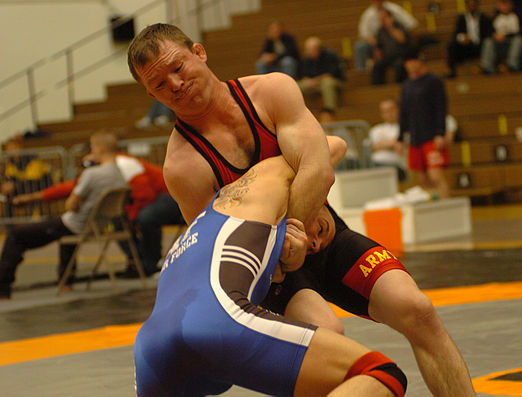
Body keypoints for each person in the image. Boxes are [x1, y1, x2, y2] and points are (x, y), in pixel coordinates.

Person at [127, 23, 475, 396]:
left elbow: (320, 167)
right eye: (160, 84)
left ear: (199, 52)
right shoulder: (183, 165)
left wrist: (298, 224)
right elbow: (218, 247)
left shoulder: (270, 91)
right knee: (328, 337)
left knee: (416, 308)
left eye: (178, 67)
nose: (176, 85)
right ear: (150, 94)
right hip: (274, 272)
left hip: (323, 235)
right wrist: (286, 243)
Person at [134, 140, 408, 397]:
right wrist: (300, 203)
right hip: (215, 321)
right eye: (317, 234)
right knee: (380, 374)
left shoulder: (199, 231)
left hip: (149, 348)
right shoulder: (263, 182)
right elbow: (331, 145)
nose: (313, 243)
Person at [0, 131, 127, 299]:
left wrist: (86, 168)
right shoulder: (119, 174)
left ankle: (2, 288)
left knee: (16, 235)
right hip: (97, 226)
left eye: (92, 146)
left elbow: (70, 205)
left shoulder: (92, 174)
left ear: (99, 148)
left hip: (76, 225)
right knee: (64, 228)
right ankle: (66, 281)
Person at [397, 48, 450, 199]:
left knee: (436, 176)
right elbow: (403, 113)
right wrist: (400, 137)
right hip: (416, 137)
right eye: (407, 62)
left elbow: (441, 107)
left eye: (412, 61)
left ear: (420, 61)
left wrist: (440, 133)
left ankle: (445, 205)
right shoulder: (406, 86)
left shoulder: (434, 81)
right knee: (422, 179)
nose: (410, 65)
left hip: (431, 136)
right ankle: (431, 208)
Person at [354, 0, 418, 71]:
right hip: (376, 41)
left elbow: (411, 23)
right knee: (360, 46)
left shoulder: (394, 9)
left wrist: (393, 28)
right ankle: (361, 71)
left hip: (394, 39)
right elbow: (364, 33)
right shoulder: (368, 14)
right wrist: (375, 43)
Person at [1, 136, 53, 217]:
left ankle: (34, 218)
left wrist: (15, 185)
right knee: (8, 196)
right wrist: (6, 186)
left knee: (30, 189)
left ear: (20, 147)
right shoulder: (10, 165)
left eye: (13, 147)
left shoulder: (33, 159)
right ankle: (9, 224)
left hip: (41, 187)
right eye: (8, 148)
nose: (11, 150)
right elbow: (9, 180)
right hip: (23, 189)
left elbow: (33, 181)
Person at [446, 0, 493, 78]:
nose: (472, 7)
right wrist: (463, 38)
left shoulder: (484, 18)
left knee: (488, 43)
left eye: (473, 5)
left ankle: (488, 69)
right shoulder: (461, 19)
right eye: (470, 5)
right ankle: (452, 71)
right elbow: (456, 34)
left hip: (481, 46)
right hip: (467, 46)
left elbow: (489, 34)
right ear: (466, 6)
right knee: (452, 45)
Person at [297, 36, 345, 110]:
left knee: (327, 83)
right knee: (296, 86)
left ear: (317, 49)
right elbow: (303, 75)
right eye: (307, 50)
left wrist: (314, 81)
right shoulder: (306, 59)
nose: (308, 52)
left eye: (310, 50)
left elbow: (330, 75)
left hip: (332, 81)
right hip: (314, 84)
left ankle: (330, 111)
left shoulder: (330, 55)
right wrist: (308, 81)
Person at [480, 0, 522, 74]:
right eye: (502, 4)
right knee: (488, 42)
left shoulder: (517, 16)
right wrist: (495, 35)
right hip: (499, 44)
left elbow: (521, 32)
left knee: (518, 40)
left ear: (511, 5)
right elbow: (488, 32)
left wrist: (506, 36)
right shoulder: (495, 18)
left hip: (512, 43)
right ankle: (487, 68)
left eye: (506, 4)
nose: (505, 7)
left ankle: (512, 66)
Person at [368, 99, 407, 181]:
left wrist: (380, 145)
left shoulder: (405, 128)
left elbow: (400, 144)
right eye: (385, 111)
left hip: (397, 166)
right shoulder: (375, 130)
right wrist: (391, 144)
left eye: (391, 109)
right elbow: (369, 148)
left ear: (398, 110)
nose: (388, 113)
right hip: (374, 164)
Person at [371, 8, 410, 84]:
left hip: (400, 56)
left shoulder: (399, 26)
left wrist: (391, 28)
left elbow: (402, 39)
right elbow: (378, 46)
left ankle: (398, 86)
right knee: (377, 65)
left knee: (400, 65)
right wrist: (377, 54)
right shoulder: (381, 31)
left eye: (384, 18)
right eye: (381, 19)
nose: (382, 20)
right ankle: (378, 89)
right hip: (387, 57)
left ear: (390, 17)